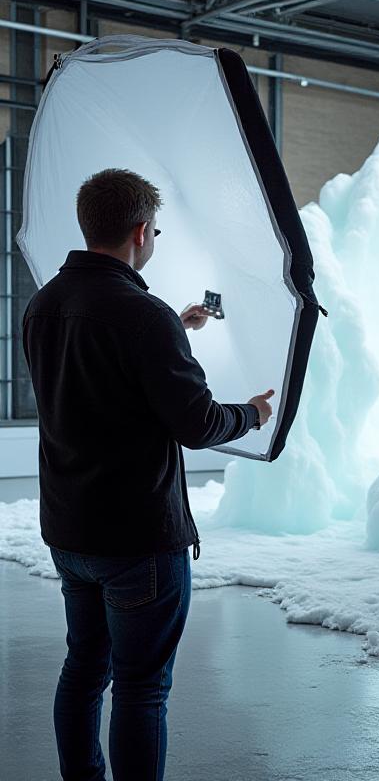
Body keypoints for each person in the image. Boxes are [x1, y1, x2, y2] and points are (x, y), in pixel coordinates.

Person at [22, 168, 275, 781]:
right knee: (141, 689)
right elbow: (197, 424)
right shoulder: (142, 316)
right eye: (155, 229)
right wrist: (253, 413)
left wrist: (174, 330)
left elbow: (98, 372)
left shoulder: (44, 303)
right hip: (136, 541)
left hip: (70, 533)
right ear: (141, 232)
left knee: (83, 669)